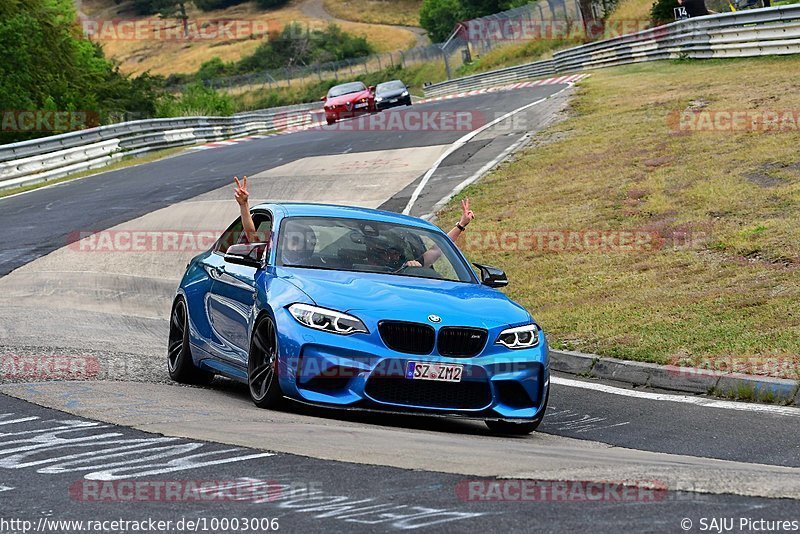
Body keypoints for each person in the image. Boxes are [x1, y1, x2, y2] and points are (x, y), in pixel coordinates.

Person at [232, 176, 476, 267]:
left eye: (392, 254)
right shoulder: (329, 262)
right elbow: (253, 238)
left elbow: (436, 250)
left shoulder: (409, 267)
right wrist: (244, 206)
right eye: (384, 253)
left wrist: (461, 224)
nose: (388, 257)